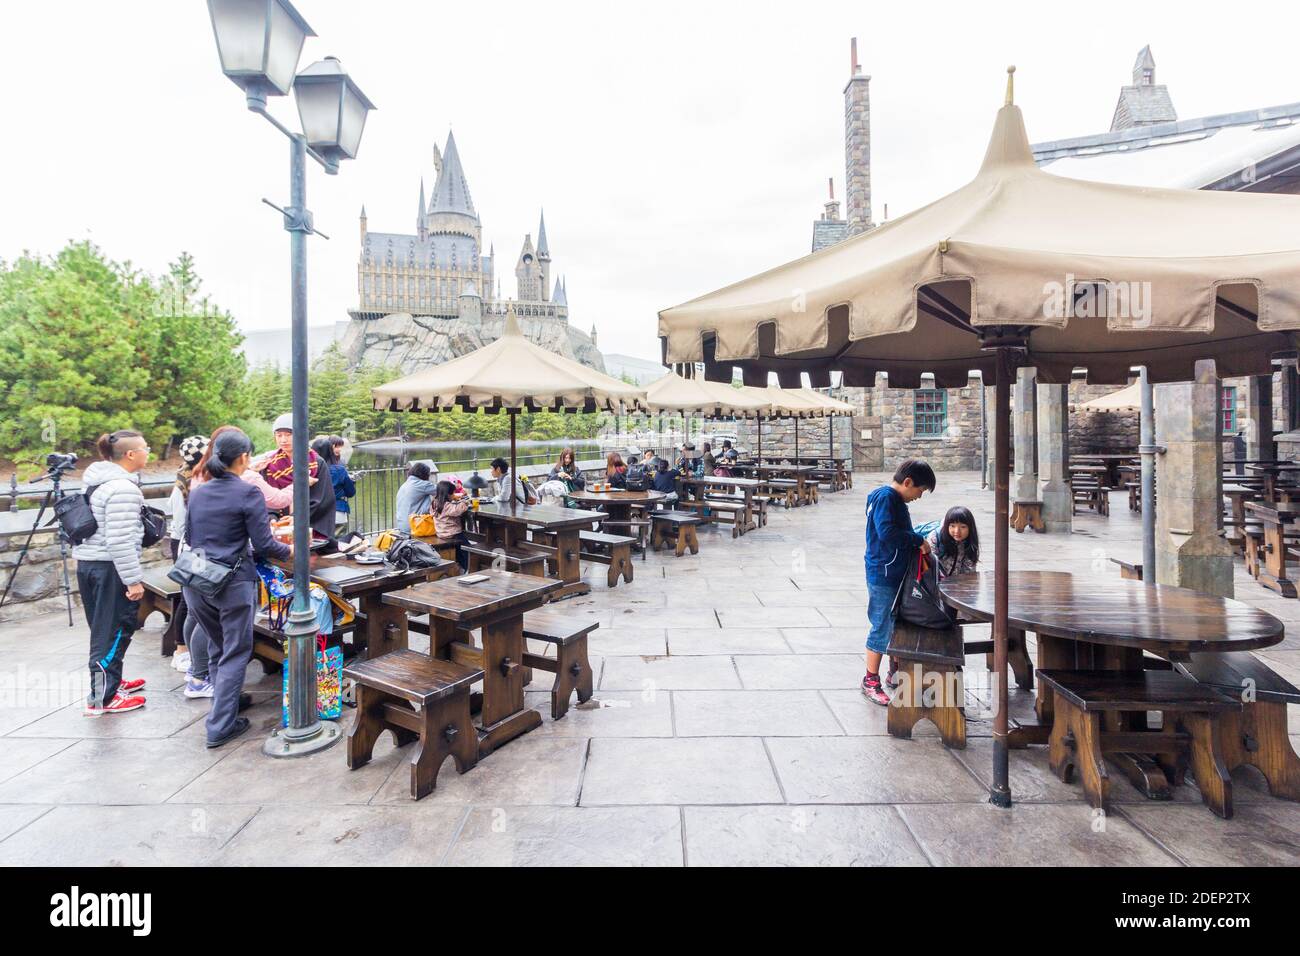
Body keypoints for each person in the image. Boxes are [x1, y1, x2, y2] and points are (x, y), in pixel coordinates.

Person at [184, 427, 292, 748]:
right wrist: (292, 552)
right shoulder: (247, 492)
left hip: (195, 575)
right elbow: (264, 544)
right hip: (231, 580)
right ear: (244, 457)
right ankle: (220, 727)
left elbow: (190, 537)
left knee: (219, 647)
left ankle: (225, 705)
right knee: (235, 652)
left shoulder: (200, 490)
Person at [74, 430, 151, 716]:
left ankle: (111, 683)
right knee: (114, 629)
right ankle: (103, 698)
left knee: (102, 630)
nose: (148, 452)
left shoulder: (99, 482)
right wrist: (132, 581)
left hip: (90, 563)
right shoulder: (123, 489)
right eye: (145, 448)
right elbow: (119, 540)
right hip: (110, 568)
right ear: (130, 454)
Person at [862, 459, 936, 705]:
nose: (919, 497)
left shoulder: (887, 498)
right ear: (908, 482)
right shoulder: (886, 498)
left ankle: (894, 671)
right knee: (882, 624)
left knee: (894, 622)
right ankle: (870, 680)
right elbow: (887, 533)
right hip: (884, 573)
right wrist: (916, 540)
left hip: (890, 570)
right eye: (920, 491)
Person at [166, 434, 208, 675]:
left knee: (190, 599)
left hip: (187, 544)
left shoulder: (188, 476)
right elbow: (182, 526)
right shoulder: (187, 482)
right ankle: (181, 650)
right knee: (187, 599)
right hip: (187, 545)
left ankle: (185, 649)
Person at [926, 506, 980, 579]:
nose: (957, 531)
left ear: (970, 528)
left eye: (963, 527)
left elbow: (969, 571)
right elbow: (929, 565)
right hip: (933, 583)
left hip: (954, 585)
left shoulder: (969, 542)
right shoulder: (935, 537)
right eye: (952, 526)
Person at [430, 479, 471, 570]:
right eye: (453, 493)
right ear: (447, 494)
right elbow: (458, 510)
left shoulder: (435, 503)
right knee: (468, 549)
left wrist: (454, 499)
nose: (454, 495)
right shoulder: (446, 506)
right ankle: (468, 567)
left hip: (441, 533)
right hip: (452, 534)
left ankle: (461, 566)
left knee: (460, 549)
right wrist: (465, 502)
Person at [323, 434, 356, 525]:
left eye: (340, 446)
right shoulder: (339, 468)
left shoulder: (318, 465)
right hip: (338, 507)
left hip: (320, 509)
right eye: (336, 447)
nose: (339, 449)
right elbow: (350, 492)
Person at [395, 461, 439, 526]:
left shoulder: (404, 485)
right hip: (415, 526)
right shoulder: (422, 484)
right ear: (425, 474)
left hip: (401, 526)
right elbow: (443, 491)